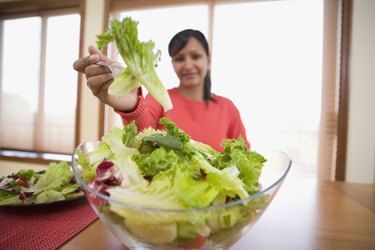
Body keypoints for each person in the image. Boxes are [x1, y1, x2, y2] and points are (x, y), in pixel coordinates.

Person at [73, 29, 250, 151]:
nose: (188, 65)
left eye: (195, 56)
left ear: (208, 60)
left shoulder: (228, 108)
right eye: (179, 59)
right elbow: (142, 133)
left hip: (220, 203)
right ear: (173, 63)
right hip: (166, 201)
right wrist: (131, 106)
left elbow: (246, 160)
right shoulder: (158, 100)